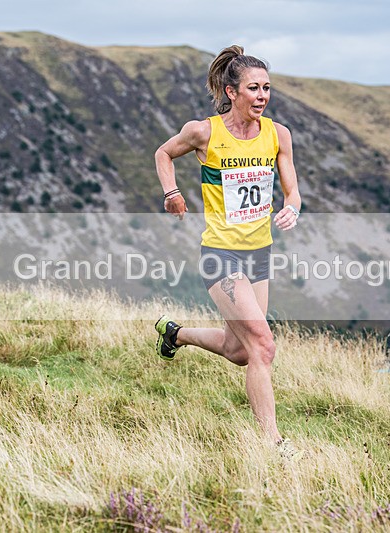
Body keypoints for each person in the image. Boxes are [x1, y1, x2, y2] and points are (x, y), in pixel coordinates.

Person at [153, 45, 302, 458]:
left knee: (240, 352)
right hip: (221, 254)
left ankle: (175, 334)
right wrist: (172, 192)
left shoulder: (277, 135)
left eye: (267, 88)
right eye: (253, 88)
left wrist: (291, 208)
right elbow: (163, 153)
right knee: (263, 346)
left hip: (259, 254)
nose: (262, 96)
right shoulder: (205, 132)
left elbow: (293, 191)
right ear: (231, 91)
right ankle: (273, 443)